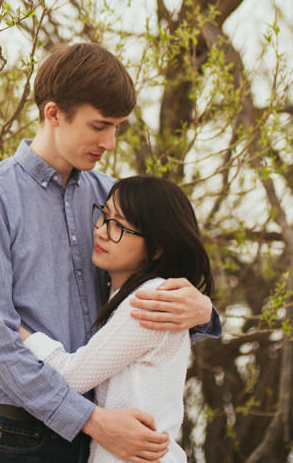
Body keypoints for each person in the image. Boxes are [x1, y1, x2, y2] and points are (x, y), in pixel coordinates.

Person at [0, 42, 220, 463]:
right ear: (54, 114)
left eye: (116, 127)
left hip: (110, 439)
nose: (110, 142)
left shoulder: (112, 200)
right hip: (22, 437)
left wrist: (205, 314)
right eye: (100, 126)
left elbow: (149, 290)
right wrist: (90, 420)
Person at [19, 175, 214, 463]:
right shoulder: (126, 294)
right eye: (104, 216)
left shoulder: (149, 300)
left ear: (158, 247)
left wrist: (15, 331)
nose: (101, 231)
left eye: (119, 227)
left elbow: (72, 376)